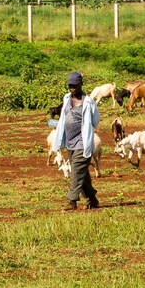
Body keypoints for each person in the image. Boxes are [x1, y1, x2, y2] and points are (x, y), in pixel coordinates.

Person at [51, 71, 100, 211]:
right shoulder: (66, 98)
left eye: (75, 85)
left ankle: (72, 200)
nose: (72, 88)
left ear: (81, 85)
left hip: (82, 142)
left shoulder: (89, 102)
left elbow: (96, 121)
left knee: (76, 171)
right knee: (82, 173)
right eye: (70, 85)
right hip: (70, 142)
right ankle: (92, 199)